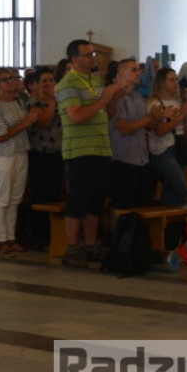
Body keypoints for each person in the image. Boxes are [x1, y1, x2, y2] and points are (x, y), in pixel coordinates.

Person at [55, 39, 123, 268]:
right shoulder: (67, 84)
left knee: (96, 201)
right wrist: (103, 100)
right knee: (78, 200)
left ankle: (91, 245)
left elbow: (106, 113)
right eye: (87, 55)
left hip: (101, 147)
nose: (92, 58)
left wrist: (112, 99)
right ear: (74, 59)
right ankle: (73, 248)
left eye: (92, 54)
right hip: (80, 150)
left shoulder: (94, 80)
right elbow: (76, 116)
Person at [0, 67, 36, 254]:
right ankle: (0, 238)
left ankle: (12, 237)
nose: (11, 82)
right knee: (3, 198)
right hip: (3, 155)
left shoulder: (17, 102)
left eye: (13, 78)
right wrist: (25, 124)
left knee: (15, 198)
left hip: (21, 151)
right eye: (6, 80)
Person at [107, 59, 160, 210]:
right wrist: (149, 118)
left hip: (142, 159)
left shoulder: (137, 96)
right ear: (122, 73)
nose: (139, 73)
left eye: (139, 69)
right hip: (123, 160)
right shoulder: (117, 96)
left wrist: (157, 117)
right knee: (124, 208)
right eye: (134, 70)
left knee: (144, 207)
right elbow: (123, 128)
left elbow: (147, 127)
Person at [25, 66, 62, 247]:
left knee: (54, 194)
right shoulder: (34, 103)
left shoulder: (58, 101)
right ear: (37, 85)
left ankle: (53, 235)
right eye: (44, 81)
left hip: (57, 153)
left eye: (50, 80)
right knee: (41, 195)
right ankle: (39, 236)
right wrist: (52, 103)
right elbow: (45, 122)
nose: (48, 84)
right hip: (40, 154)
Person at [146, 67, 187, 206]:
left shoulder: (177, 102)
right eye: (171, 80)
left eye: (177, 80)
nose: (175, 83)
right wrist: (180, 116)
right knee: (183, 191)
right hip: (163, 150)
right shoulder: (155, 103)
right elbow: (159, 131)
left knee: (171, 192)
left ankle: (170, 226)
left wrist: (186, 112)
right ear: (162, 82)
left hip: (179, 146)